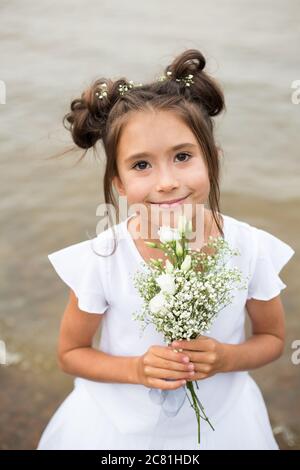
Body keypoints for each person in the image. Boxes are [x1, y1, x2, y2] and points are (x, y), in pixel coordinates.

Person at [37, 49, 295, 450]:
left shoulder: (249, 247)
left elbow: (272, 339)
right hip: (117, 430)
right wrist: (137, 369)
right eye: (141, 165)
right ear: (118, 183)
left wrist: (227, 358)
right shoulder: (103, 258)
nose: (167, 181)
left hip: (222, 426)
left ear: (213, 160)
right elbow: (71, 353)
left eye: (182, 156)